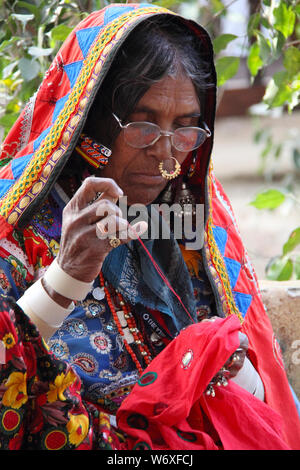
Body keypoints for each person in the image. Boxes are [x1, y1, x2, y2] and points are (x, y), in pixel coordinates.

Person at [0, 3, 299, 451]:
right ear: (90, 118)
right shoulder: (16, 233)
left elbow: (260, 396)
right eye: (142, 124)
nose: (166, 157)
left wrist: (238, 374)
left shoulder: (193, 220)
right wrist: (65, 279)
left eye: (185, 129)